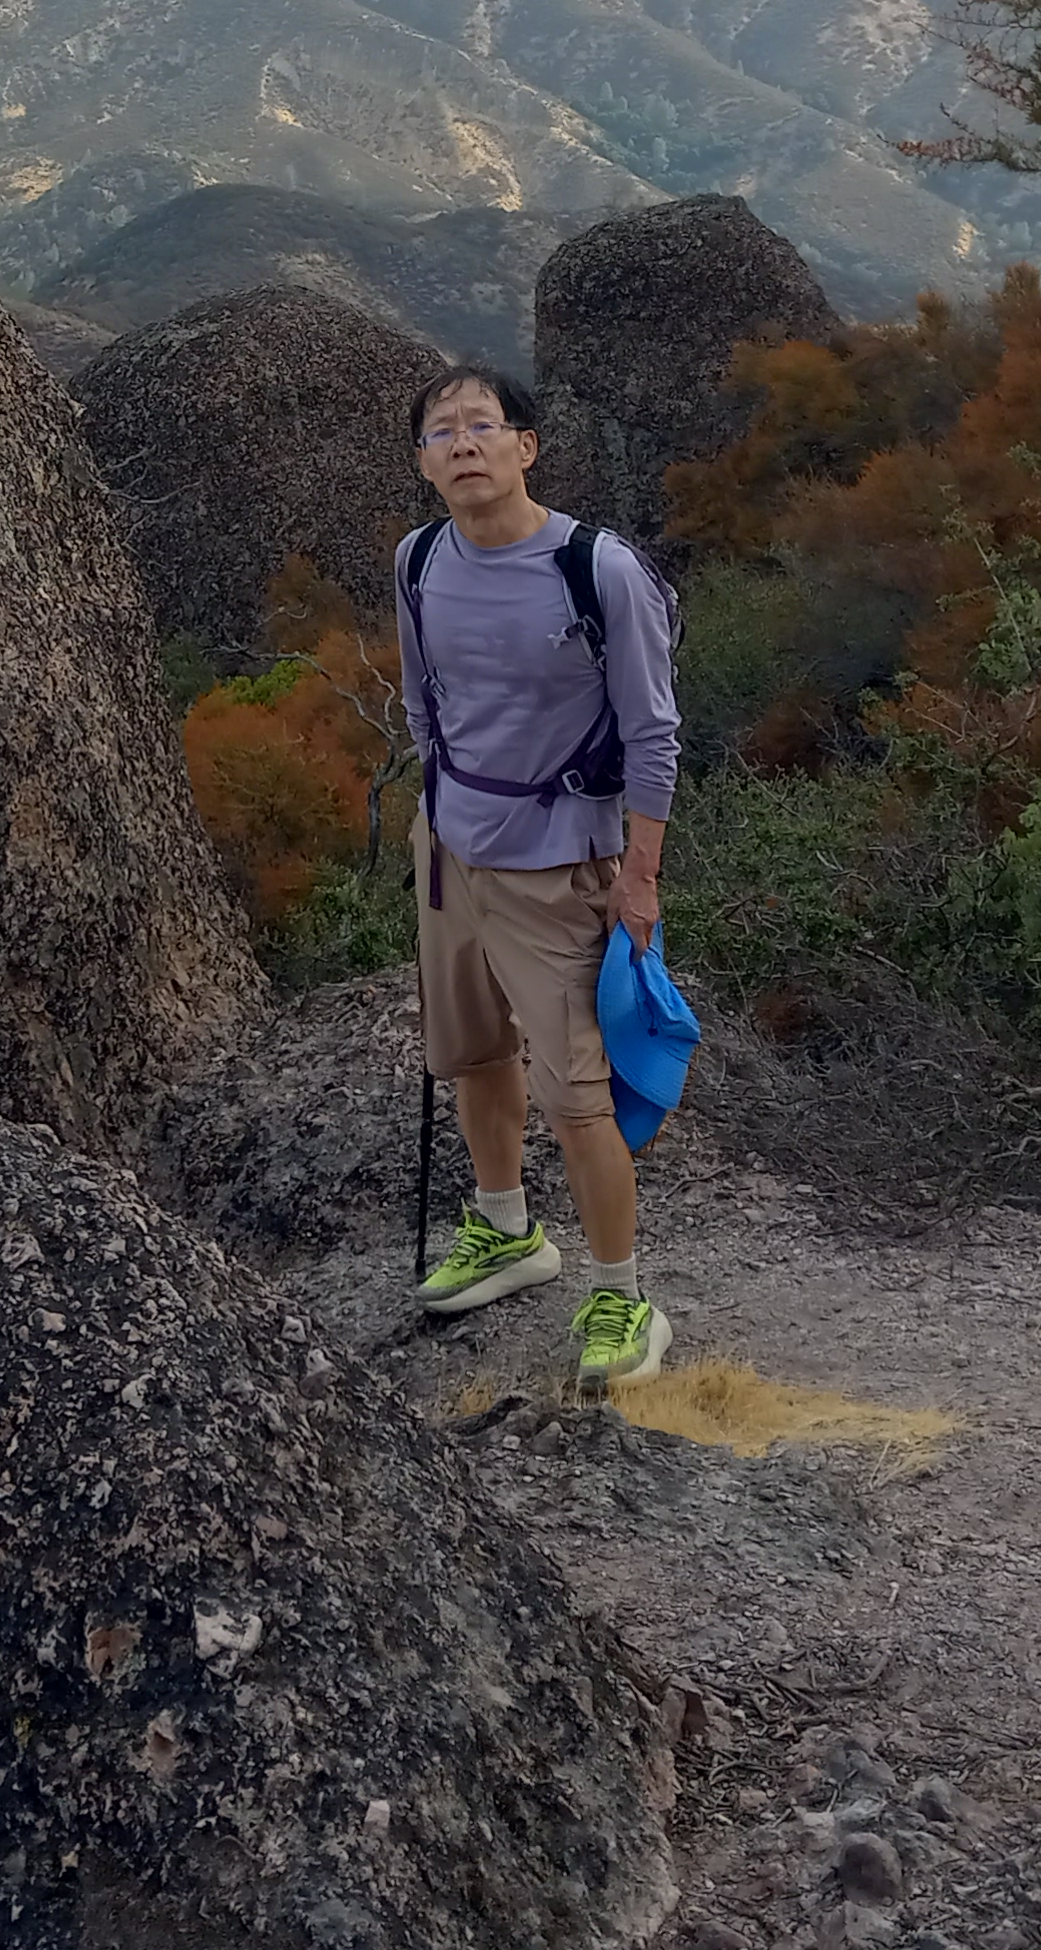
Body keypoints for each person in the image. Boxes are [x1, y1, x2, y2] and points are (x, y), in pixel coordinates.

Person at [395, 363, 679, 1387]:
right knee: (472, 1052)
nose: (463, 443)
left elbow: (653, 734)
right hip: (452, 849)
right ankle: (509, 1231)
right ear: (424, 463)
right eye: (441, 432)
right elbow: (421, 698)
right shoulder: (419, 558)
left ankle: (622, 1297)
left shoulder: (596, 570)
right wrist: (437, 815)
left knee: (577, 1095)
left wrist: (637, 879)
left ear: (527, 445)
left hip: (564, 861)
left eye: (482, 424)